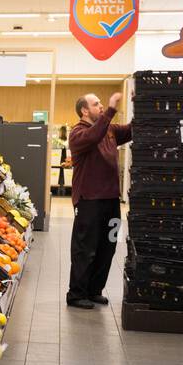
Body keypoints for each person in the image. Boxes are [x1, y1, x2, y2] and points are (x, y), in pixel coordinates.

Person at [66, 90, 129, 309]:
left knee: (108, 247)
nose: (101, 106)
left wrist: (140, 102)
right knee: (86, 248)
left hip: (112, 201)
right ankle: (76, 294)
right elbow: (94, 136)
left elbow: (131, 130)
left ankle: (94, 290)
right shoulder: (77, 133)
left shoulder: (110, 130)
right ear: (84, 110)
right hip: (89, 202)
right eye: (96, 104)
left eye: (102, 104)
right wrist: (111, 109)